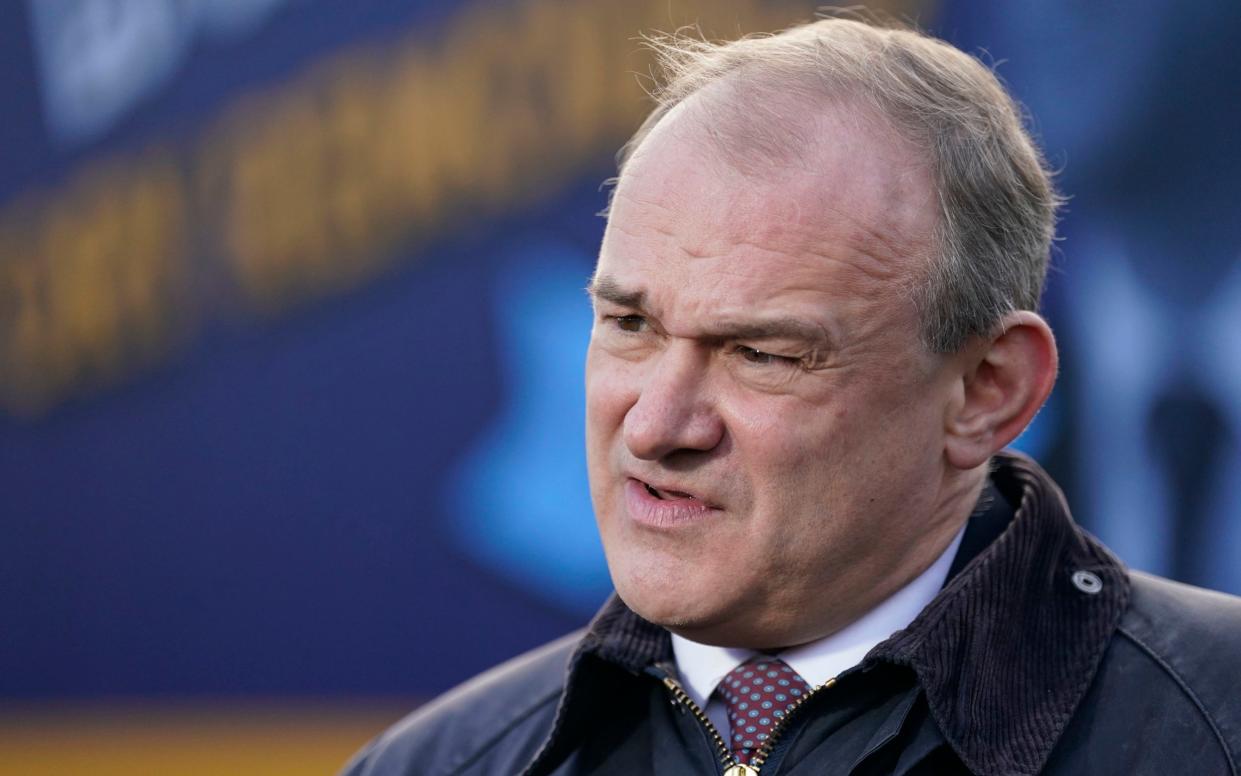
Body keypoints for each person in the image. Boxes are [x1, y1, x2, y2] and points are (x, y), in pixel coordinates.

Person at [343, 16, 1241, 776]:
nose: (656, 427)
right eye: (629, 325)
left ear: (985, 391)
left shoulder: (1213, 726)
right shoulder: (440, 762)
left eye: (759, 354)